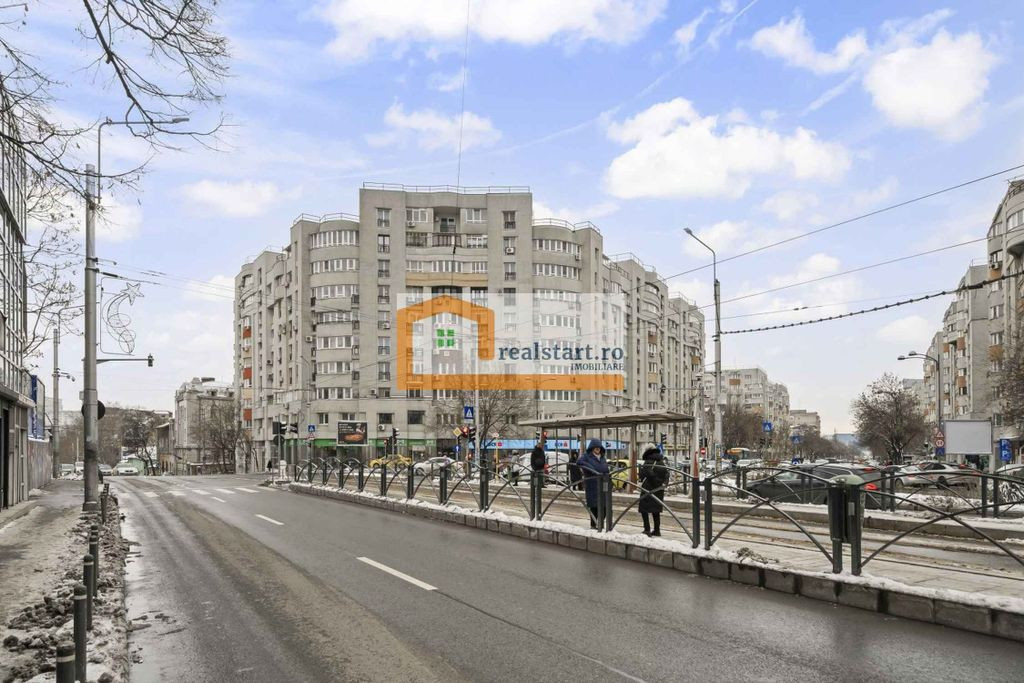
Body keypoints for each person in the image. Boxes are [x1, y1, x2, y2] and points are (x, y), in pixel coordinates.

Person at [577, 439, 609, 529]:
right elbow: (579, 462)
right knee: (594, 506)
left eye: (599, 447)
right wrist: (591, 469)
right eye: (595, 447)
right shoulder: (587, 456)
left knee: (605, 507)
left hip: (603, 484)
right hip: (592, 485)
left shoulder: (602, 457)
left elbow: (606, 469)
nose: (597, 449)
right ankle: (593, 525)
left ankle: (600, 524)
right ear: (592, 448)